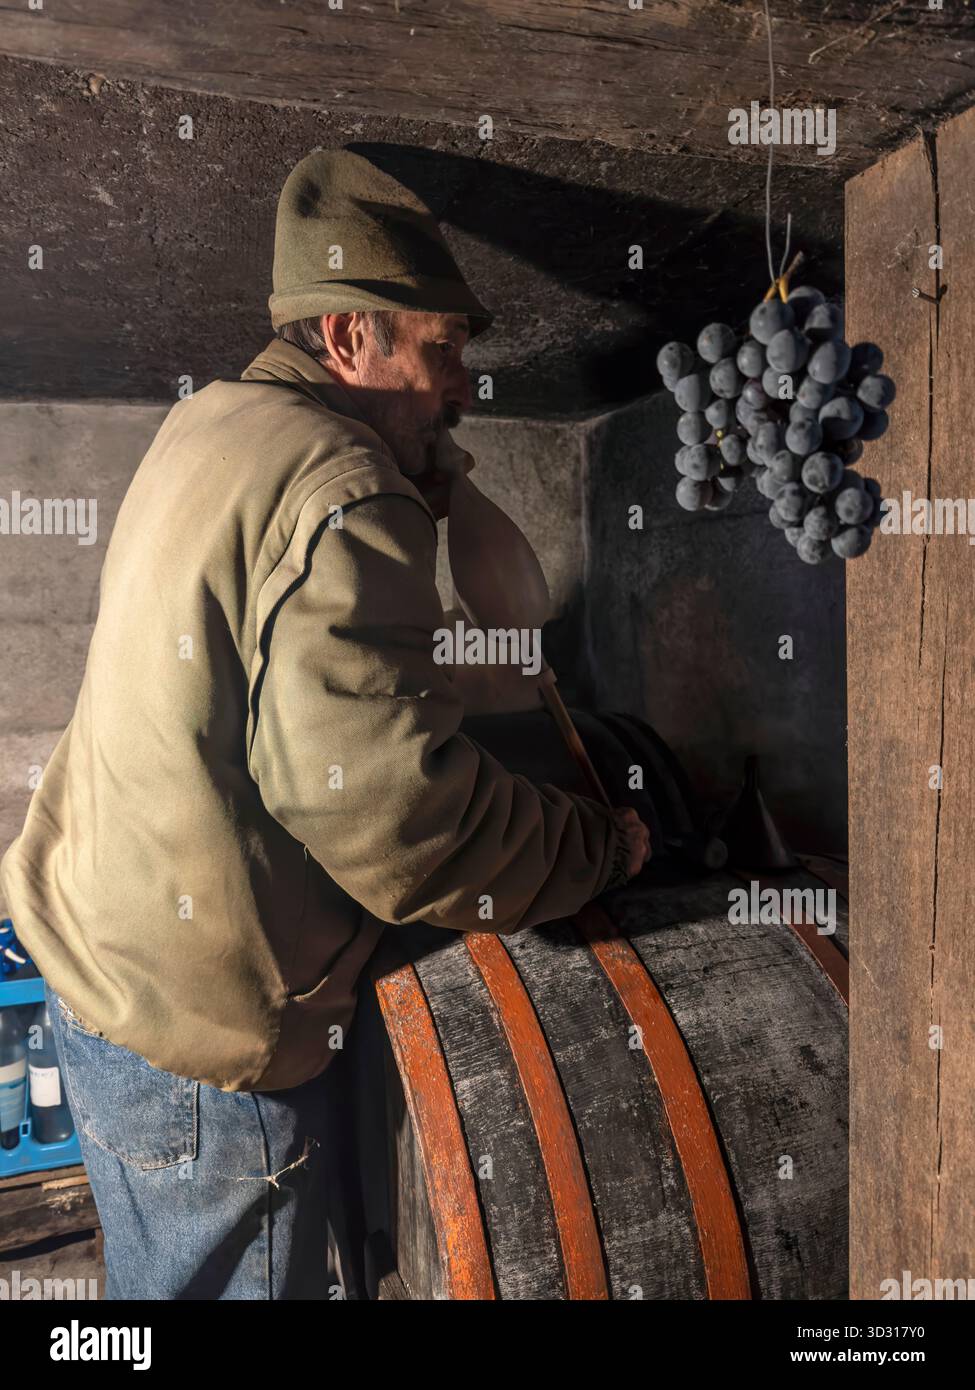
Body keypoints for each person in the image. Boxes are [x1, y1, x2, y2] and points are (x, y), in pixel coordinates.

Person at [0, 149, 650, 1299]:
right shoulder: (346, 486)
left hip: (97, 974)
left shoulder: (217, 424)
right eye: (442, 348)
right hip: (205, 1052)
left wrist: (420, 470)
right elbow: (400, 822)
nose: (464, 384)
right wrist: (598, 846)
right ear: (352, 339)